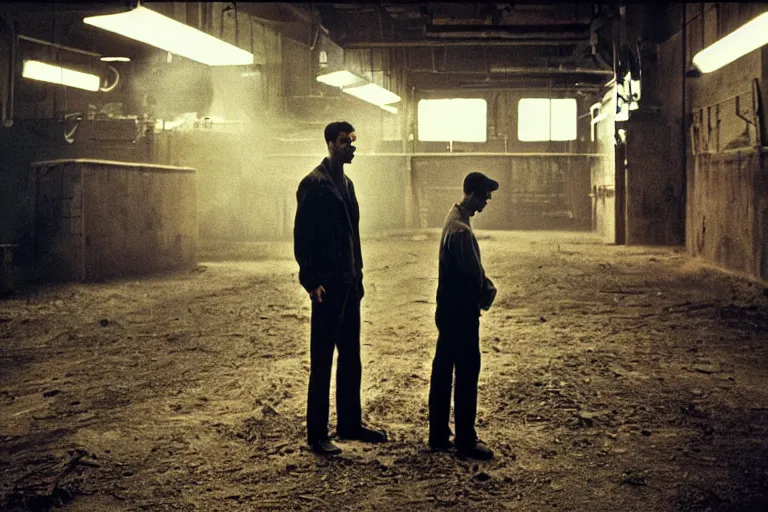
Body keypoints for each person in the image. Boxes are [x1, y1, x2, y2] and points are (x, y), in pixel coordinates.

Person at [293, 121, 388, 455]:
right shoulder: (313, 185)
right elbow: (302, 239)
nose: (352, 146)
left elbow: (354, 237)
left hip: (348, 283)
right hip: (327, 287)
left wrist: (358, 276)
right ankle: (317, 435)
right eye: (346, 141)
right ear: (331, 144)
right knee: (322, 361)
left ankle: (349, 423)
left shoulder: (346, 184)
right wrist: (311, 281)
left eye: (353, 140)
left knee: (351, 356)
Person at [428, 172, 499, 460]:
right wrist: (488, 293)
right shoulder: (461, 231)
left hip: (447, 310)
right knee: (467, 373)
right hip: (461, 314)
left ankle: (438, 435)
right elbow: (473, 277)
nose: (487, 201)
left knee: (444, 371)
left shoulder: (454, 216)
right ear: (471, 193)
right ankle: (466, 440)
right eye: (484, 195)